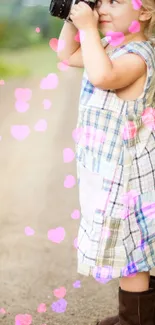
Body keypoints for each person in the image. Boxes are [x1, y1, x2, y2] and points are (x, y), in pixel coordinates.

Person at [57, 0, 155, 324]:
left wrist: (87, 28)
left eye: (115, 1)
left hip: (131, 180)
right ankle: (139, 313)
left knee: (132, 256)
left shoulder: (140, 56)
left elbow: (102, 76)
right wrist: (74, 16)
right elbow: (66, 54)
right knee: (129, 251)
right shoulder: (111, 49)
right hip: (111, 172)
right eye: (101, 2)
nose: (103, 9)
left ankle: (136, 319)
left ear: (144, 12)